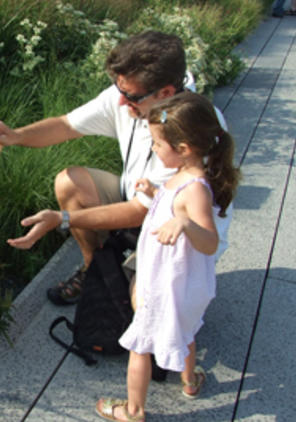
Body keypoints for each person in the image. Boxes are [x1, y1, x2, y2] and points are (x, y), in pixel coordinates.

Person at [0, 31, 231, 306]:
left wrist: (62, 219)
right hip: (143, 202)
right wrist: (15, 135)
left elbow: (140, 212)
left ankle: (145, 293)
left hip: (181, 235)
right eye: (119, 90)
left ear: (165, 93)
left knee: (143, 308)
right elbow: (66, 125)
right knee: (69, 182)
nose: (120, 102)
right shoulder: (133, 96)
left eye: (130, 96)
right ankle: (96, 272)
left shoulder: (192, 131)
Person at [94, 92, 240, 421]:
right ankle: (189, 381)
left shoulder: (195, 191)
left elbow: (210, 243)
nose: (154, 150)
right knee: (185, 331)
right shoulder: (185, 178)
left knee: (139, 346)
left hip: (166, 285)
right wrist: (153, 194)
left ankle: (133, 410)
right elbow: (173, 202)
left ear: (184, 149)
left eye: (158, 145)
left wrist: (186, 223)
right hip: (179, 285)